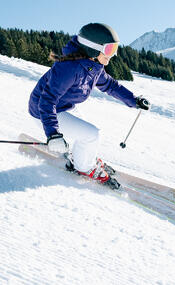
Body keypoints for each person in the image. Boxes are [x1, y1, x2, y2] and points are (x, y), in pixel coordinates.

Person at [28, 23, 150, 183]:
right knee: (91, 135)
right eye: (108, 50)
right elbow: (47, 100)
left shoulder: (93, 65)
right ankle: (84, 168)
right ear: (92, 47)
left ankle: (80, 157)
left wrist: (134, 100)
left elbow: (110, 85)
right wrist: (53, 134)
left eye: (114, 49)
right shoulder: (69, 68)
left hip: (63, 107)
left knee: (86, 134)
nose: (112, 55)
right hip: (43, 111)